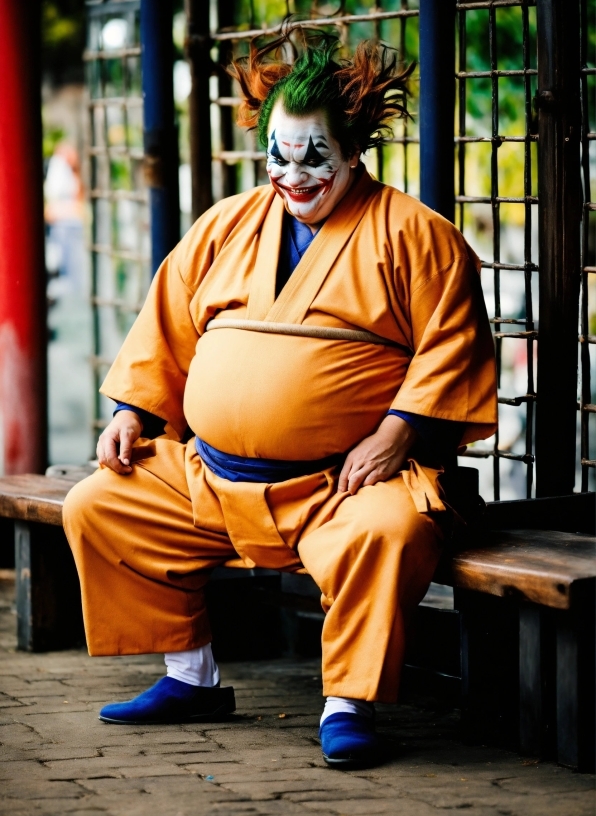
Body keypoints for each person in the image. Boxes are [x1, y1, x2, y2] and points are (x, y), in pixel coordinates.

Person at [63, 31, 497, 768]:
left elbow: (453, 345)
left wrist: (398, 431)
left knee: (389, 534)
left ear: (354, 150)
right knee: (99, 503)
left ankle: (346, 703)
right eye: (278, 155)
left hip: (344, 485)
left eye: (314, 156)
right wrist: (131, 413)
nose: (293, 176)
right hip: (213, 478)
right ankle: (190, 676)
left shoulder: (418, 237)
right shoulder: (227, 224)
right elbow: (164, 329)